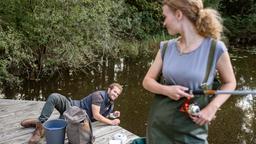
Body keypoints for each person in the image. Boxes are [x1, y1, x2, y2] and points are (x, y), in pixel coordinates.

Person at [142, 0, 236, 143]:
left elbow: (230, 82)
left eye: (165, 16)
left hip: (192, 132)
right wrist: (166, 90)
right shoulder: (166, 47)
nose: (164, 22)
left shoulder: (215, 48)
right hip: (159, 127)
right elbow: (147, 82)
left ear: (178, 14)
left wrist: (212, 107)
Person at [20, 83, 123, 144]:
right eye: (114, 92)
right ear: (109, 89)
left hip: (76, 120)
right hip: (71, 107)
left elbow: (102, 114)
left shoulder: (110, 104)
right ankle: (39, 126)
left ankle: (38, 123)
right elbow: (96, 115)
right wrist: (112, 122)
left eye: (118, 94)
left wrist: (112, 115)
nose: (116, 95)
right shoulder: (99, 96)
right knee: (54, 96)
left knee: (58, 127)